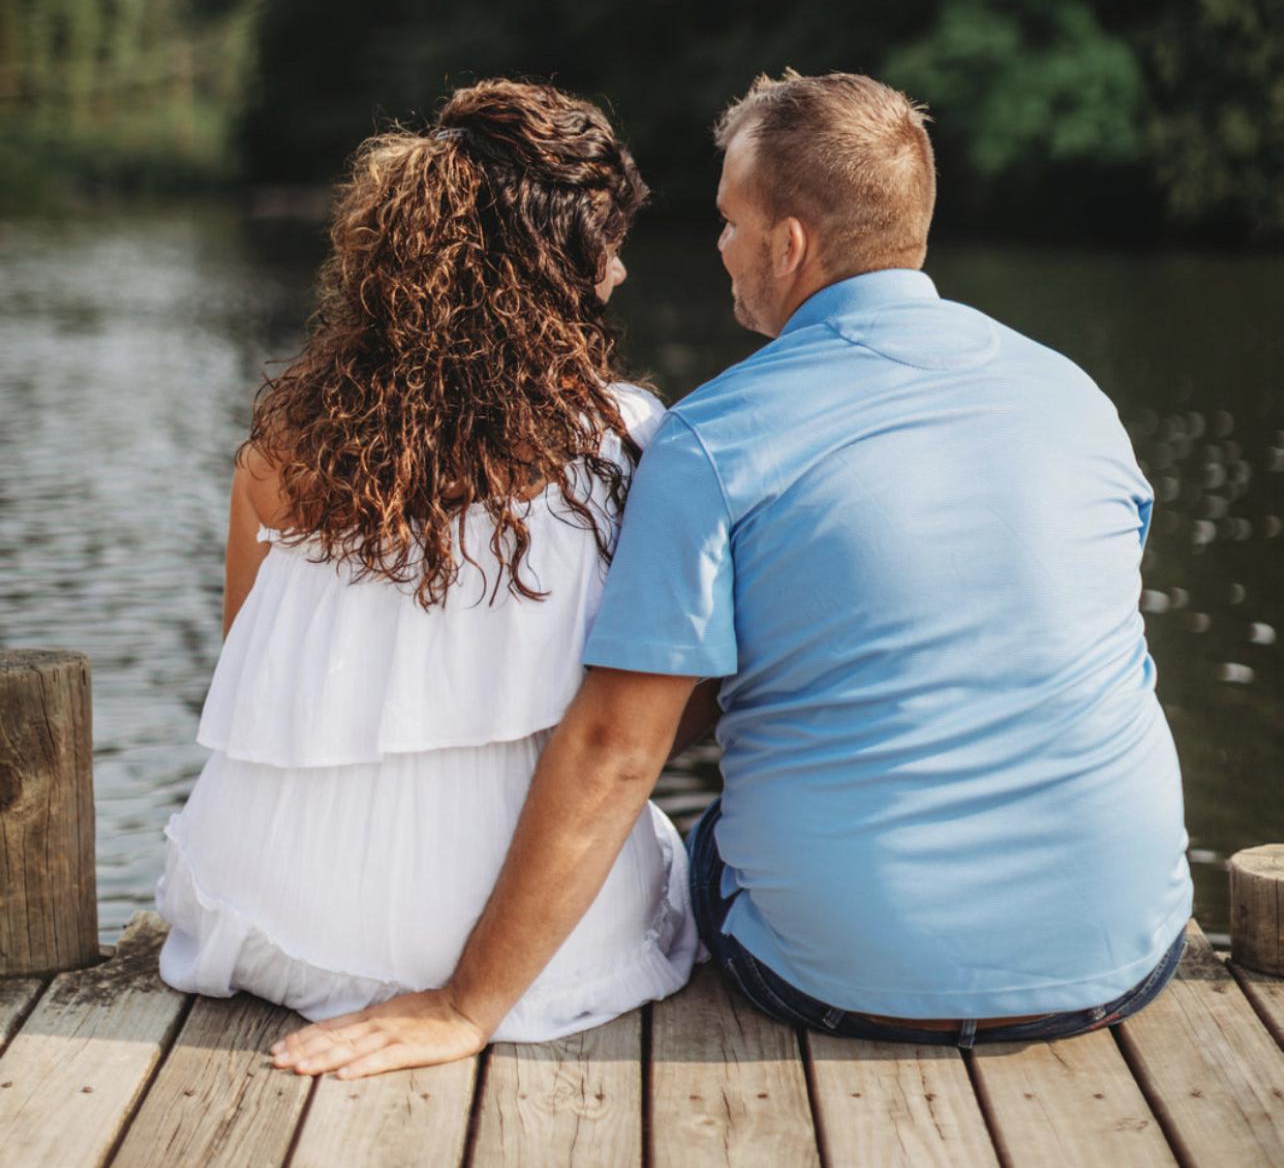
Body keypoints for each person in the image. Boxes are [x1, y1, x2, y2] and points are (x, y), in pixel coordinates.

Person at [270, 70, 1191, 1081]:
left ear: (788, 245)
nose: (721, 250)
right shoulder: (1079, 399)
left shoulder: (717, 436)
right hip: (1123, 950)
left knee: (691, 836)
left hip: (843, 975)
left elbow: (625, 744)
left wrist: (463, 1005)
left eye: (729, 222)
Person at [155, 80, 698, 1040]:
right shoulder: (630, 443)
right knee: (670, 849)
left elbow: (255, 675)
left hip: (269, 923)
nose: (617, 275)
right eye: (607, 246)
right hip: (529, 950)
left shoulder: (283, 452)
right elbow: (658, 720)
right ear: (555, 266)